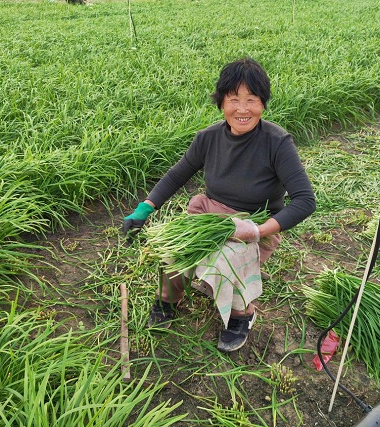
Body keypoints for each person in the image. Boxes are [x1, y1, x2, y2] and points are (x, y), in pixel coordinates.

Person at [122, 58, 316, 352]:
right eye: (233, 100)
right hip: (210, 214)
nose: (242, 109)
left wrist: (257, 230)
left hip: (255, 221)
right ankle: (169, 299)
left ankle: (242, 315)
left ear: (262, 103)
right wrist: (144, 209)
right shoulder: (208, 138)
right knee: (174, 247)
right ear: (221, 102)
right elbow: (177, 175)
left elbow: (305, 201)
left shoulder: (277, 142)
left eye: (251, 100)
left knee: (229, 258)